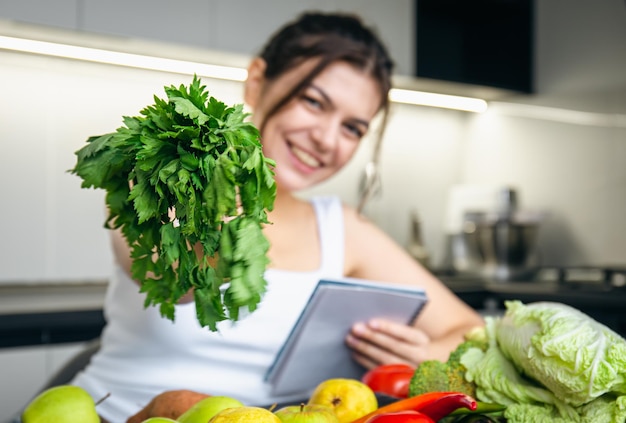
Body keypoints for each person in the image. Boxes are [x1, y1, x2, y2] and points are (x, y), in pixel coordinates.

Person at [68, 11, 484, 422]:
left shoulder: (342, 229)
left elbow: (469, 330)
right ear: (256, 82)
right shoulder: (160, 177)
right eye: (313, 101)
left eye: (353, 128)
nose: (325, 139)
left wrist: (418, 354)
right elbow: (171, 279)